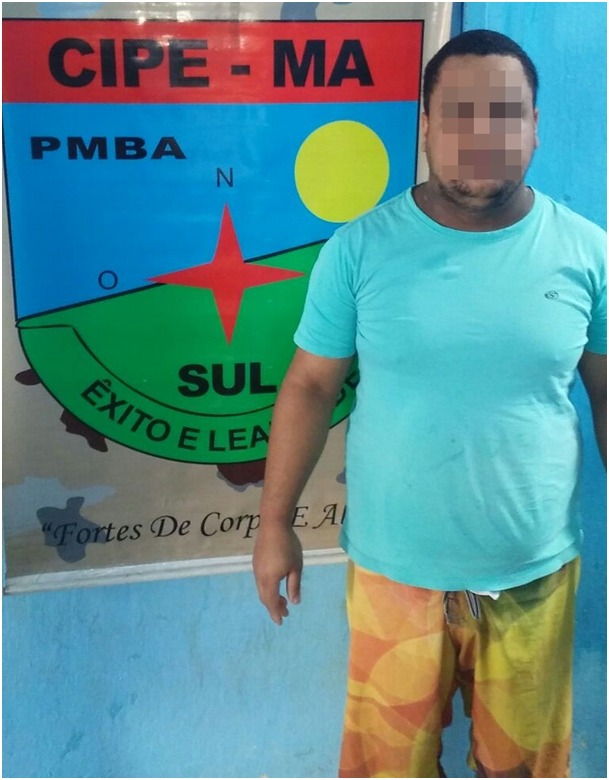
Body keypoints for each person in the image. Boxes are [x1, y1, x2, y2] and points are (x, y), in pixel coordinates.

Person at [253, 28, 607, 779]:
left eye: (504, 113)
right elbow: (310, 386)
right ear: (425, 124)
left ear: (535, 125)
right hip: (394, 574)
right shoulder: (359, 249)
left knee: (522, 772)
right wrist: (274, 524)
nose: (482, 134)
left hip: (534, 574)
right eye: (459, 112)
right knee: (389, 770)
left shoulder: (587, 253)